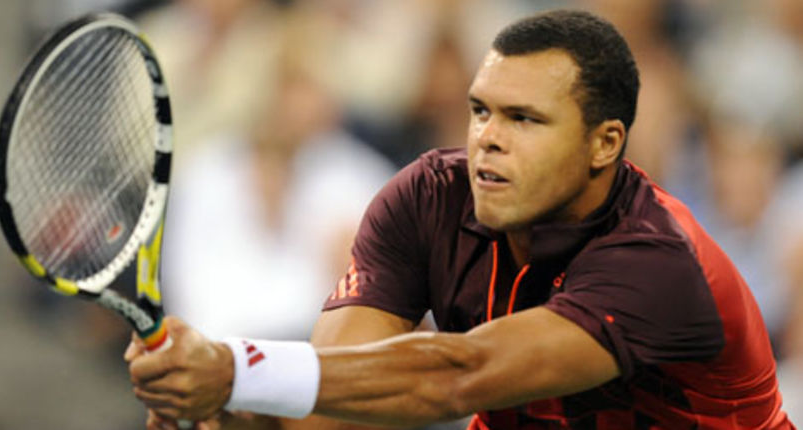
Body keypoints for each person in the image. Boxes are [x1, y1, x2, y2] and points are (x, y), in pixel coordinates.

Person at [126, 9, 793, 429]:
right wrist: (228, 411)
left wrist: (233, 370)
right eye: (481, 111)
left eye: (525, 119)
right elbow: (335, 392)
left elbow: (458, 375)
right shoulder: (428, 197)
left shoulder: (660, 260)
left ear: (605, 144)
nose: (488, 139)